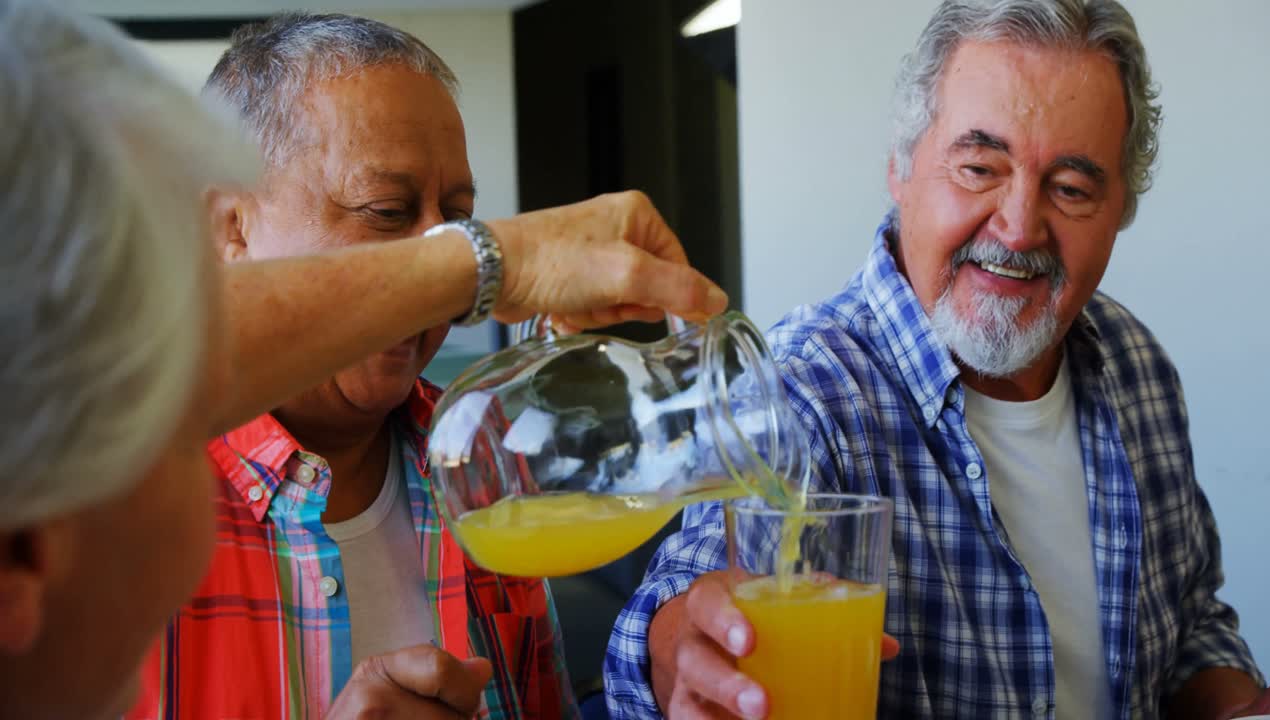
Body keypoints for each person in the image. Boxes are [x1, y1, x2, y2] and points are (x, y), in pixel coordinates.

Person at [0, 3, 726, 719]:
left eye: (459, 217)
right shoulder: (111, 493)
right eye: (385, 211)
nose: (436, 257)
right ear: (229, 229)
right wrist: (494, 261)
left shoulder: (488, 460)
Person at [605, 1, 1270, 718]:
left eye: (1072, 188)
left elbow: (1187, 628)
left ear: (1121, 207)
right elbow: (687, 605)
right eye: (979, 166)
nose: (1019, 229)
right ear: (901, 168)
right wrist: (675, 646)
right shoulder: (800, 395)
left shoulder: (1137, 367)